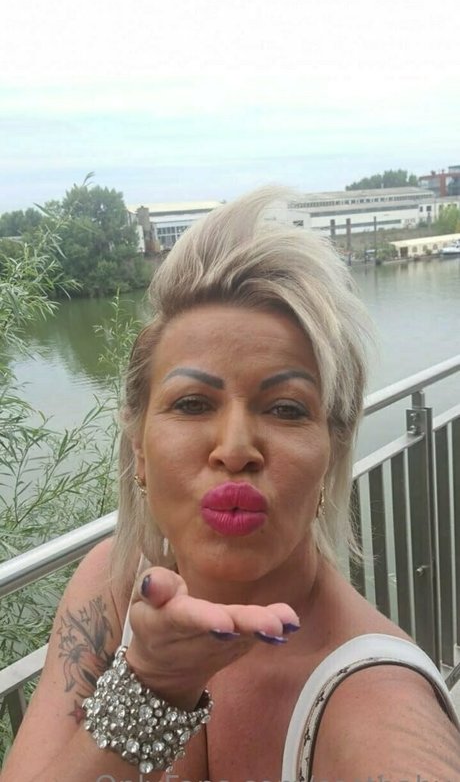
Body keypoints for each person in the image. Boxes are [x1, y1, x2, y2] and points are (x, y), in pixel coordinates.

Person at [2, 188, 459, 782]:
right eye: (192, 403)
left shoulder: (379, 702)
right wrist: (151, 685)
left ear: (333, 451)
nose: (237, 448)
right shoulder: (113, 582)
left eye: (287, 409)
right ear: (138, 447)